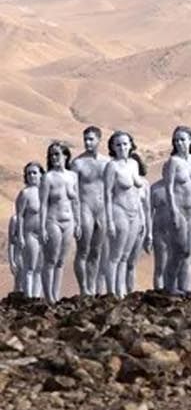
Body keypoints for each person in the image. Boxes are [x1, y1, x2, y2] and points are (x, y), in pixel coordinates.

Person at [155, 126, 191, 294]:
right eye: (176, 140)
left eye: (182, 139)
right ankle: (170, 286)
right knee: (179, 249)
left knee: (189, 252)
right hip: (179, 211)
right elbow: (169, 189)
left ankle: (185, 287)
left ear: (190, 140)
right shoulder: (173, 162)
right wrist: (173, 211)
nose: (179, 143)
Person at [101, 132, 149, 298]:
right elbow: (107, 194)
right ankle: (111, 292)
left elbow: (137, 192)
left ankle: (121, 290)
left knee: (126, 256)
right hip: (118, 210)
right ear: (113, 147)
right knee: (115, 255)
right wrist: (109, 221)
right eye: (118, 145)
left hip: (134, 212)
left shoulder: (134, 164)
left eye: (125, 144)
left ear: (131, 145)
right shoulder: (112, 166)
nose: (122, 148)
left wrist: (142, 217)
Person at [71, 127, 109, 296]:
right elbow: (73, 192)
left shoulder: (107, 162)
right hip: (85, 207)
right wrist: (76, 218)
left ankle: (92, 287)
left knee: (96, 251)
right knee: (83, 250)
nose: (87, 143)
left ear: (99, 140)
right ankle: (83, 288)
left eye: (91, 139)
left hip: (102, 209)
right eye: (85, 139)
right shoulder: (77, 163)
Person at [39, 142, 78, 300]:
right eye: (52, 155)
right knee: (51, 259)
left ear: (66, 155)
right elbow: (43, 204)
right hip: (52, 220)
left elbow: (76, 201)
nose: (54, 158)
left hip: (69, 221)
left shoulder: (73, 176)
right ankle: (49, 296)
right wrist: (42, 227)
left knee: (61, 261)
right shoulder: (48, 178)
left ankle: (56, 293)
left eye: (57, 154)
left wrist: (79, 222)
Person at [12, 164, 45, 299]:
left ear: (41, 174)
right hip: (30, 234)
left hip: (44, 234)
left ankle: (36, 297)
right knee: (30, 266)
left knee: (40, 267)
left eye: (34, 173)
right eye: (29, 173)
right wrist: (20, 235)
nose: (31, 176)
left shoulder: (46, 192)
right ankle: (28, 296)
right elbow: (19, 215)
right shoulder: (25, 193)